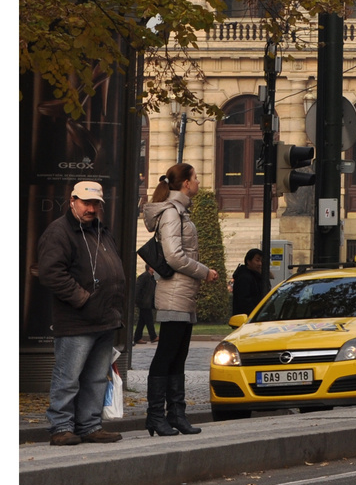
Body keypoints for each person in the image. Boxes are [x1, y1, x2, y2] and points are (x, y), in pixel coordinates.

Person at [36, 180, 127, 446]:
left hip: (104, 318)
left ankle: (89, 425)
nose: (91, 208)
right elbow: (51, 273)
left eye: (95, 204)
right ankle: (61, 427)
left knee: (97, 377)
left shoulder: (100, 231)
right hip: (77, 320)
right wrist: (83, 300)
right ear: (72, 201)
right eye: (86, 203)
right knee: (68, 377)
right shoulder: (59, 232)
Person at [142, 164, 220, 437]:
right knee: (166, 356)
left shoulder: (179, 212)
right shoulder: (172, 213)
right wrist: (204, 271)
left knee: (178, 356)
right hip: (174, 294)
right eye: (196, 178)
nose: (198, 182)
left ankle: (176, 414)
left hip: (183, 294)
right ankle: (156, 416)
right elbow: (174, 256)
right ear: (186, 184)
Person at [231, 248, 269, 319]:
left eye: (261, 261)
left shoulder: (258, 276)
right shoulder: (244, 277)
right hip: (247, 318)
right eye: (257, 260)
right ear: (249, 261)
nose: (260, 264)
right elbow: (244, 301)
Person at [134, 262, 158, 344]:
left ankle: (137, 337)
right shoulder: (144, 277)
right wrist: (137, 300)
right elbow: (137, 289)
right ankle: (153, 336)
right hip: (144, 302)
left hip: (148, 302)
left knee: (142, 321)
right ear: (149, 268)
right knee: (149, 319)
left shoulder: (152, 278)